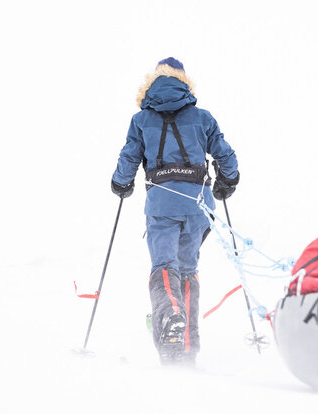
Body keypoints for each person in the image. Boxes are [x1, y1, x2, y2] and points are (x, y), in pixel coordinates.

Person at [111, 57, 239, 365]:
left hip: (162, 204)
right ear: (184, 82)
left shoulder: (141, 120)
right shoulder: (202, 117)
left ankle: (170, 318)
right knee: (187, 269)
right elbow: (225, 155)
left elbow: (129, 158)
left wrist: (121, 184)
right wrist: (227, 181)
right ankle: (185, 349)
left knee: (164, 265)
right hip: (198, 204)